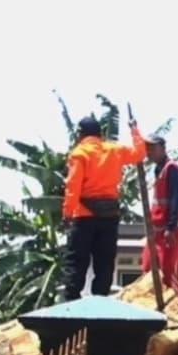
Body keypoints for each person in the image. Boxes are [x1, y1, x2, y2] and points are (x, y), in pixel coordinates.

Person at [62, 115, 147, 300]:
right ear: (100, 134)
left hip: (84, 216)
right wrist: (134, 130)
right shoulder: (114, 150)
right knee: (105, 262)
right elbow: (140, 153)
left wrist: (67, 213)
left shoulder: (80, 153)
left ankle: (70, 302)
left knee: (77, 261)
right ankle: (100, 300)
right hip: (109, 216)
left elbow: (73, 186)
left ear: (81, 134)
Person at [140, 134, 178, 293]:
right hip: (157, 230)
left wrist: (171, 227)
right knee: (148, 269)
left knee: (169, 273)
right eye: (147, 149)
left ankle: (174, 305)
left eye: (153, 148)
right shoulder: (158, 170)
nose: (149, 152)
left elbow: (175, 198)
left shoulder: (172, 169)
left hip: (171, 230)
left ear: (163, 148)